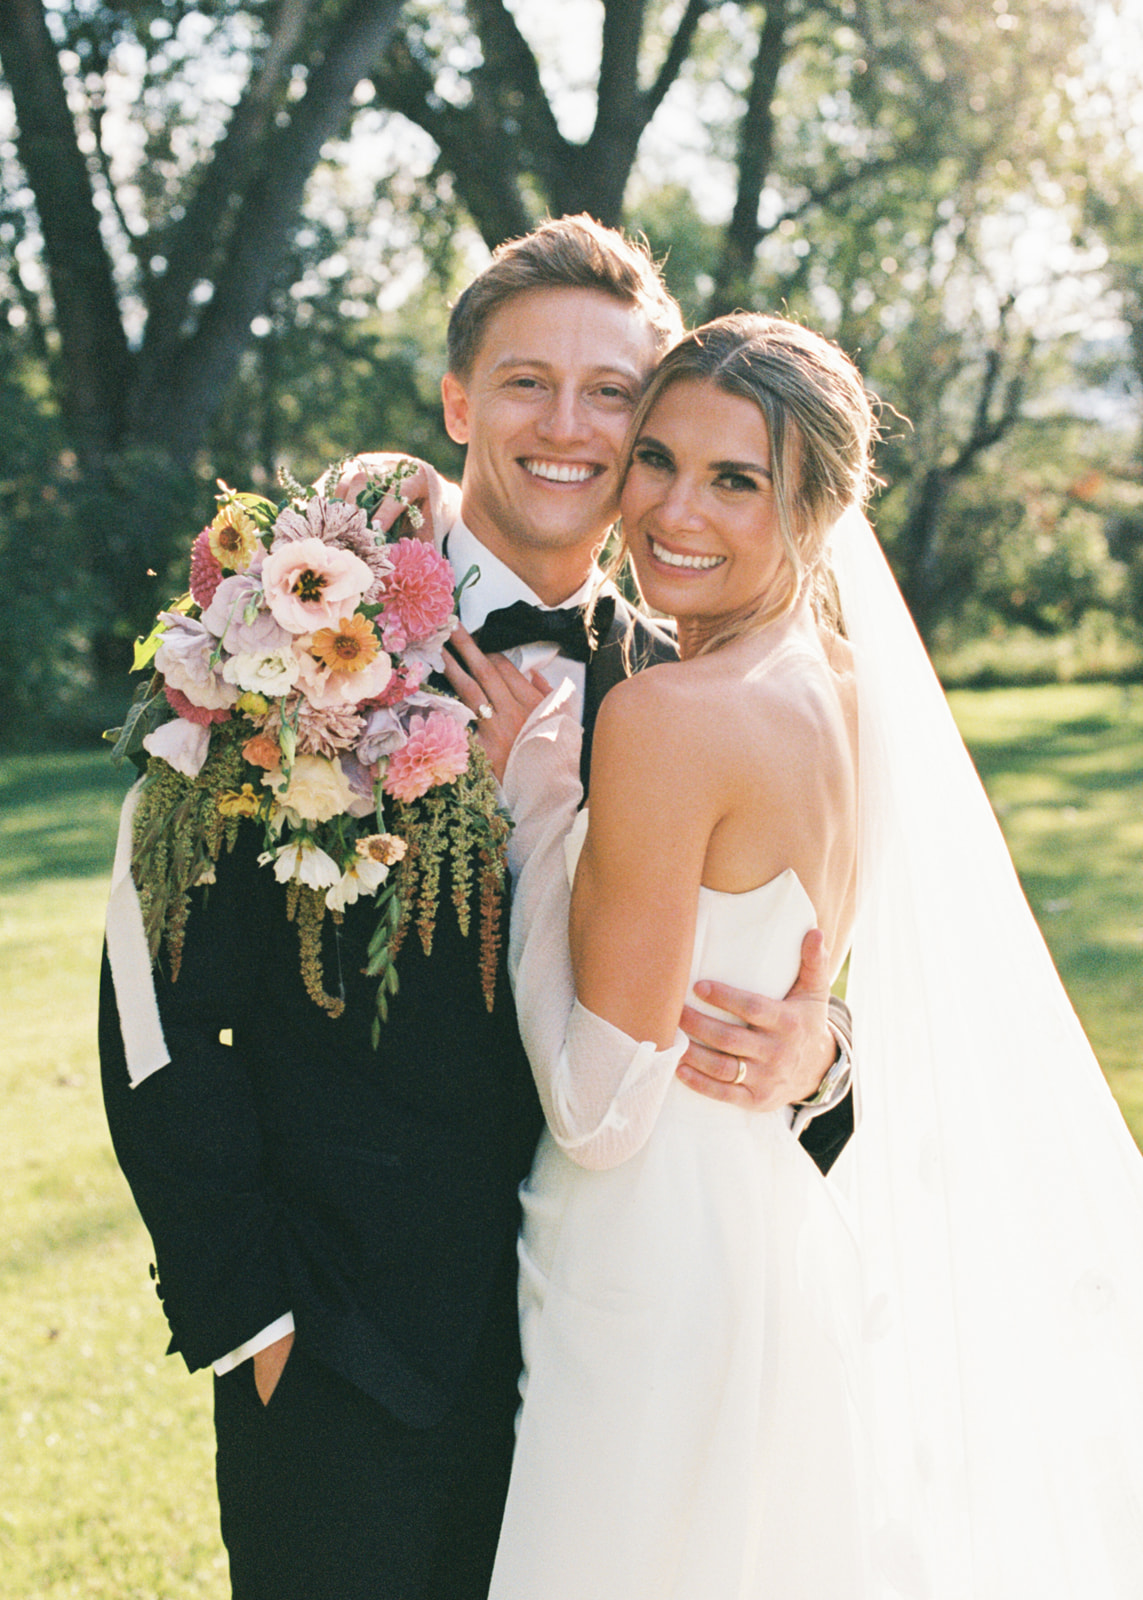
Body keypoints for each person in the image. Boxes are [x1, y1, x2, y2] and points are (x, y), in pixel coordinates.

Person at [99, 218, 854, 1600]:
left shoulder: (660, 688)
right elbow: (152, 990)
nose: (568, 426)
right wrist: (254, 1317)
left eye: (613, 393)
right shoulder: (296, 630)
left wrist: (823, 1059)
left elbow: (765, 967)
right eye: (525, 382)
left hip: (605, 1352)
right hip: (346, 1361)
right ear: (459, 401)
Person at [447, 310, 1143, 1599]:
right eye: (655, 458)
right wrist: (819, 1044)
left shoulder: (667, 715)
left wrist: (543, 811)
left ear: (818, 508)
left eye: (736, 480)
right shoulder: (847, 690)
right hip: (770, 1224)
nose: (671, 511)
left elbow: (602, 1106)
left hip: (644, 1255)